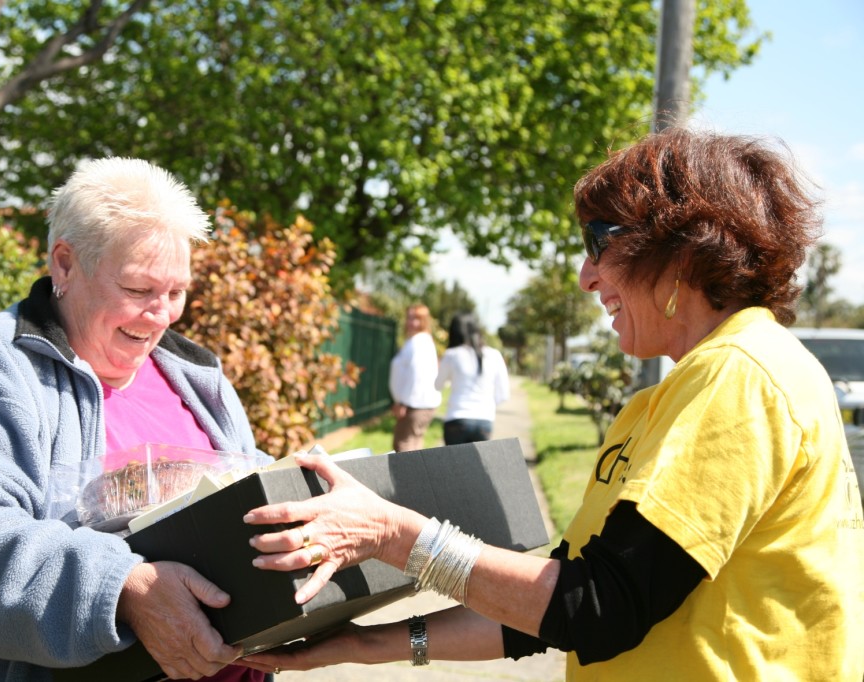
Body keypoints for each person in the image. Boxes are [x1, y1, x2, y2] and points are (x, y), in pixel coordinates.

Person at [240, 128, 864, 680]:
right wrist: (363, 644)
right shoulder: (669, 398)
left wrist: (391, 533)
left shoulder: (741, 374)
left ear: (682, 250)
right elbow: (552, 608)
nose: (585, 277)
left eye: (600, 242)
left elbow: (600, 607)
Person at [0, 158, 267, 681]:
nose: (163, 315)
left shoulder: (197, 376)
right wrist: (120, 589)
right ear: (64, 264)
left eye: (176, 292)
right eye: (139, 289)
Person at [435, 311, 510, 445]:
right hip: (484, 420)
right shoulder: (494, 355)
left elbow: (437, 385)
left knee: (454, 466)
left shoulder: (452, 355)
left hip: (456, 419)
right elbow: (503, 394)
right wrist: (487, 405)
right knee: (477, 466)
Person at [388, 303, 442, 452]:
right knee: (414, 448)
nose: (411, 322)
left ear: (424, 321)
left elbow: (416, 376)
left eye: (416, 318)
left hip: (415, 405)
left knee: (403, 448)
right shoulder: (418, 341)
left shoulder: (419, 342)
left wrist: (403, 403)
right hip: (418, 404)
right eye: (409, 317)